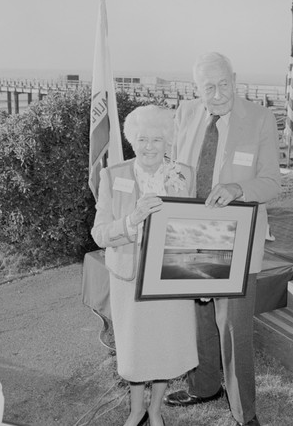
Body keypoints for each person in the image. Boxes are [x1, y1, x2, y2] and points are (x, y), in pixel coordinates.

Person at [164, 52, 281, 426]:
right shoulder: (185, 113)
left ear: (236, 78)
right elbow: (177, 167)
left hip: (238, 237)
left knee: (234, 327)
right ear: (196, 90)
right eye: (207, 88)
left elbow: (272, 184)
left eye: (223, 84)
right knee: (199, 316)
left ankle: (245, 414)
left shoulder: (261, 118)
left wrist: (237, 187)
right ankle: (204, 385)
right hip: (191, 233)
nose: (216, 95)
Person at [91, 105, 198, 426]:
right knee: (136, 350)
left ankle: (155, 410)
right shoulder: (112, 175)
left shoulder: (185, 174)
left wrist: (200, 279)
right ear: (131, 141)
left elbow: (191, 230)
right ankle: (137, 409)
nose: (149, 146)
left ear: (168, 142)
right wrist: (131, 220)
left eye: (157, 139)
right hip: (130, 278)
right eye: (142, 139)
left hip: (170, 277)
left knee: (165, 346)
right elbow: (99, 234)